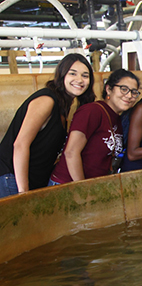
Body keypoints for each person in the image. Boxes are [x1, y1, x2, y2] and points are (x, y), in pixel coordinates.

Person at [0, 53, 96, 197]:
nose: (79, 80)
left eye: (85, 75)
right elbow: (20, 144)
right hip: (12, 177)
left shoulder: (65, 106)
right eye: (73, 73)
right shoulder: (47, 100)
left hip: (33, 179)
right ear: (62, 75)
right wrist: (23, 192)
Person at [49, 69, 140, 184]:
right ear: (108, 89)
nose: (129, 95)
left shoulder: (118, 119)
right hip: (68, 185)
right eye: (124, 89)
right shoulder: (92, 111)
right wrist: (83, 188)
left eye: (134, 92)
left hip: (93, 186)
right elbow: (71, 152)